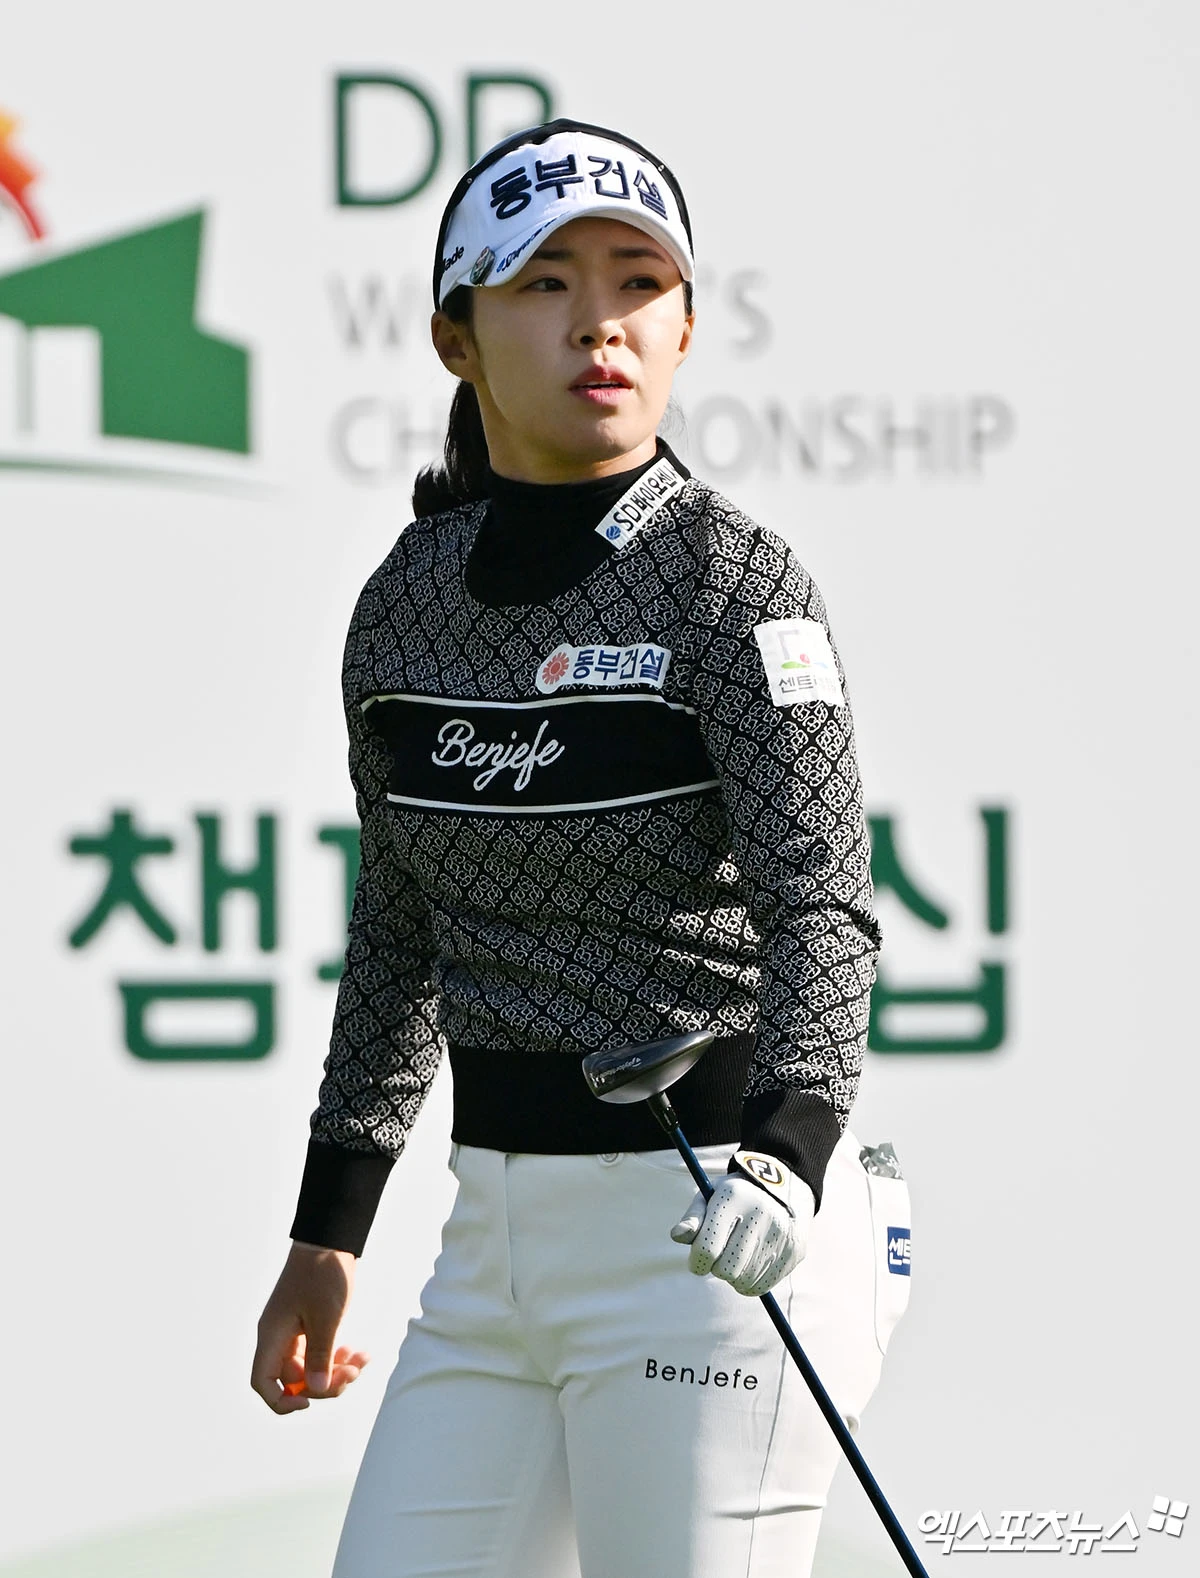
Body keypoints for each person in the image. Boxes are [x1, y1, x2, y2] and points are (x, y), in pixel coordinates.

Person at [251, 117, 912, 1578]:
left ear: (685, 328)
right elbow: (402, 928)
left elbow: (823, 905)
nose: (599, 321)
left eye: (637, 283)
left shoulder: (736, 581)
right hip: (492, 1247)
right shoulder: (405, 599)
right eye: (545, 283)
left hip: (720, 1228)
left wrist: (792, 1150)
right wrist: (329, 1230)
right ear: (457, 339)